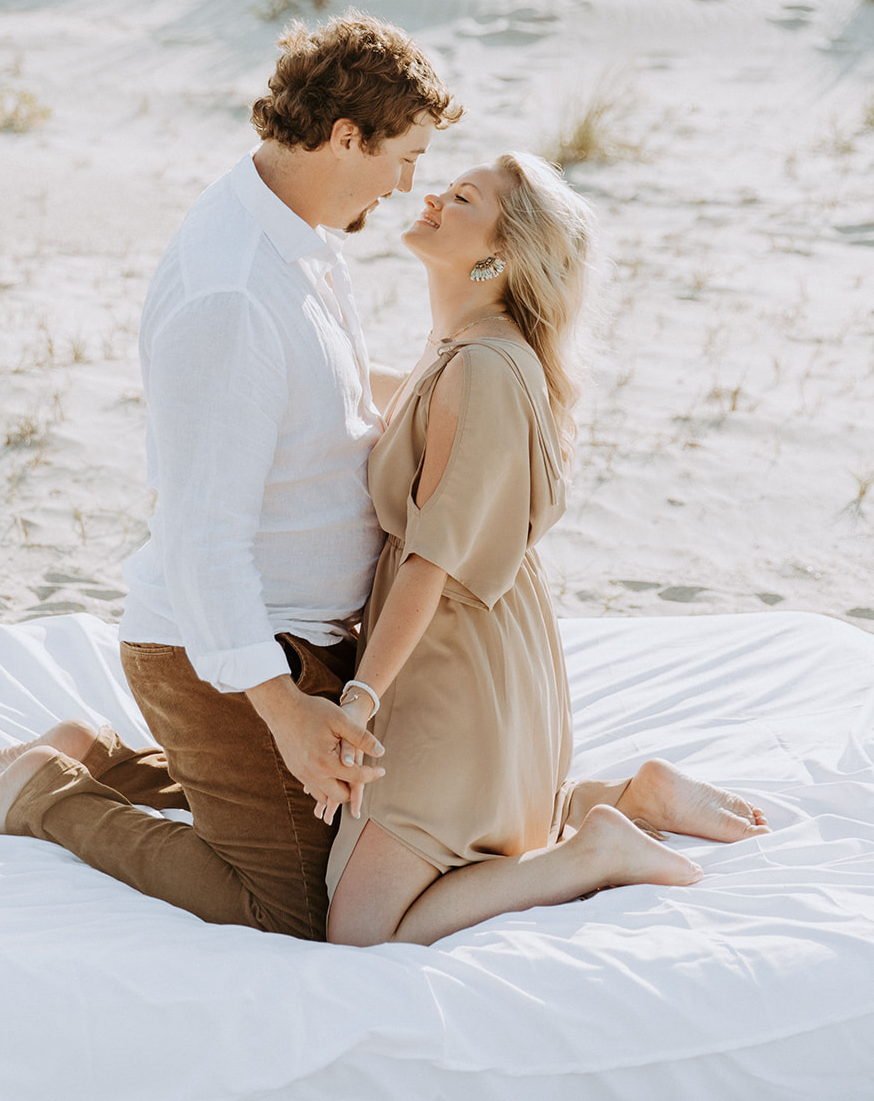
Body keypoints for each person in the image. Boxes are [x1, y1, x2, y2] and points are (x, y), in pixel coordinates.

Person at [0, 12, 461, 943]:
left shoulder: (300, 230)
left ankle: (101, 755)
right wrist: (280, 710)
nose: (409, 185)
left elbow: (328, 390)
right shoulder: (232, 295)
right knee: (293, 909)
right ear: (345, 136)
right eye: (402, 156)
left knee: (382, 836)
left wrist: (473, 403)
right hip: (228, 653)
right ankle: (47, 794)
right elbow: (205, 541)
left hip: (303, 635)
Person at [320, 151, 768, 947]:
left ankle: (590, 850)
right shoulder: (468, 344)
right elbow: (399, 397)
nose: (430, 196)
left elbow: (430, 561)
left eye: (459, 197)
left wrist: (360, 700)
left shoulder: (484, 367)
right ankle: (632, 797)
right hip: (479, 647)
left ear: (498, 256)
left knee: (359, 934)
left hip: (452, 663)